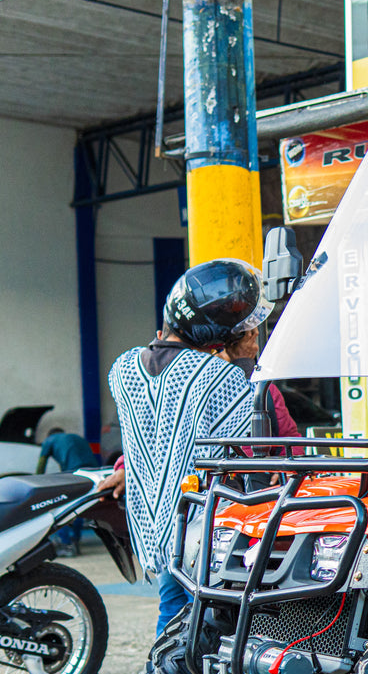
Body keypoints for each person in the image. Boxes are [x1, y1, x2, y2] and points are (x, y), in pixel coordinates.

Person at [101, 258, 271, 638]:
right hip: (203, 523)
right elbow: (253, 438)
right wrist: (245, 363)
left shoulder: (122, 368)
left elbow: (155, 434)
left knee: (171, 609)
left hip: (152, 521)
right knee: (211, 617)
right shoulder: (216, 375)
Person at [36, 428, 99, 556]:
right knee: (80, 506)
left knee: (64, 506)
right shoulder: (77, 436)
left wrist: (37, 482)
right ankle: (75, 540)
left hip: (74, 472)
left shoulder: (49, 440)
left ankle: (66, 544)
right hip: (93, 471)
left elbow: (41, 463)